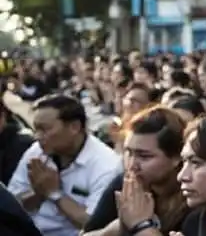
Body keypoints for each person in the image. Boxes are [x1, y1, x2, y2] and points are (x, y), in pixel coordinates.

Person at [7, 94, 121, 236]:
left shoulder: (107, 165)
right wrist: (38, 194)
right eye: (36, 129)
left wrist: (55, 194)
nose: (37, 136)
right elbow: (11, 205)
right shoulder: (37, 151)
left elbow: (94, 224)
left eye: (45, 129)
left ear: (74, 127)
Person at [83, 106, 190, 236]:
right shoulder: (126, 183)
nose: (132, 165)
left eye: (144, 156)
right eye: (128, 152)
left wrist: (141, 224)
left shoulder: (192, 195)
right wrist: (120, 226)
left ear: (176, 157)